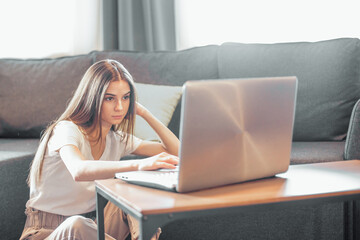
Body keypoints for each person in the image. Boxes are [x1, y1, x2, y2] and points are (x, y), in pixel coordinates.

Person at [19, 59, 179, 240]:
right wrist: (140, 165)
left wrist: (145, 113)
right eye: (110, 98)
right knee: (77, 225)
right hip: (46, 233)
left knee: (130, 191)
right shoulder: (66, 129)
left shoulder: (117, 139)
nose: (119, 107)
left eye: (125, 97)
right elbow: (79, 170)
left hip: (95, 227)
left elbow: (177, 152)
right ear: (93, 98)